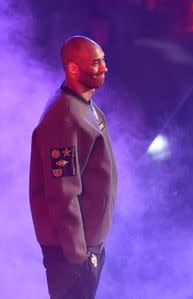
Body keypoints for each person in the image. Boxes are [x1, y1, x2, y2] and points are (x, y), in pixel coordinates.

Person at [29, 35, 118, 299]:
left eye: (103, 61)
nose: (104, 68)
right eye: (95, 63)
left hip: (87, 247)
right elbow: (62, 193)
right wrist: (79, 256)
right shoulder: (65, 119)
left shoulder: (85, 106)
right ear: (73, 68)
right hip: (72, 254)